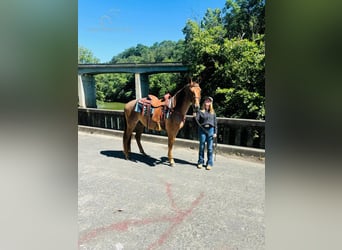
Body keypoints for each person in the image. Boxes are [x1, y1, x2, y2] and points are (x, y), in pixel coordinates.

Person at [193, 96, 217, 170]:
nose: (207, 102)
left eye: (209, 101)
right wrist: (194, 115)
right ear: (204, 102)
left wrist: (215, 132)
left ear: (211, 103)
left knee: (210, 148)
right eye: (206, 100)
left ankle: (209, 163)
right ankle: (200, 162)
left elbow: (215, 123)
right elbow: (196, 121)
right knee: (202, 146)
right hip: (202, 129)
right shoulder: (200, 112)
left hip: (210, 130)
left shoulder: (213, 113)